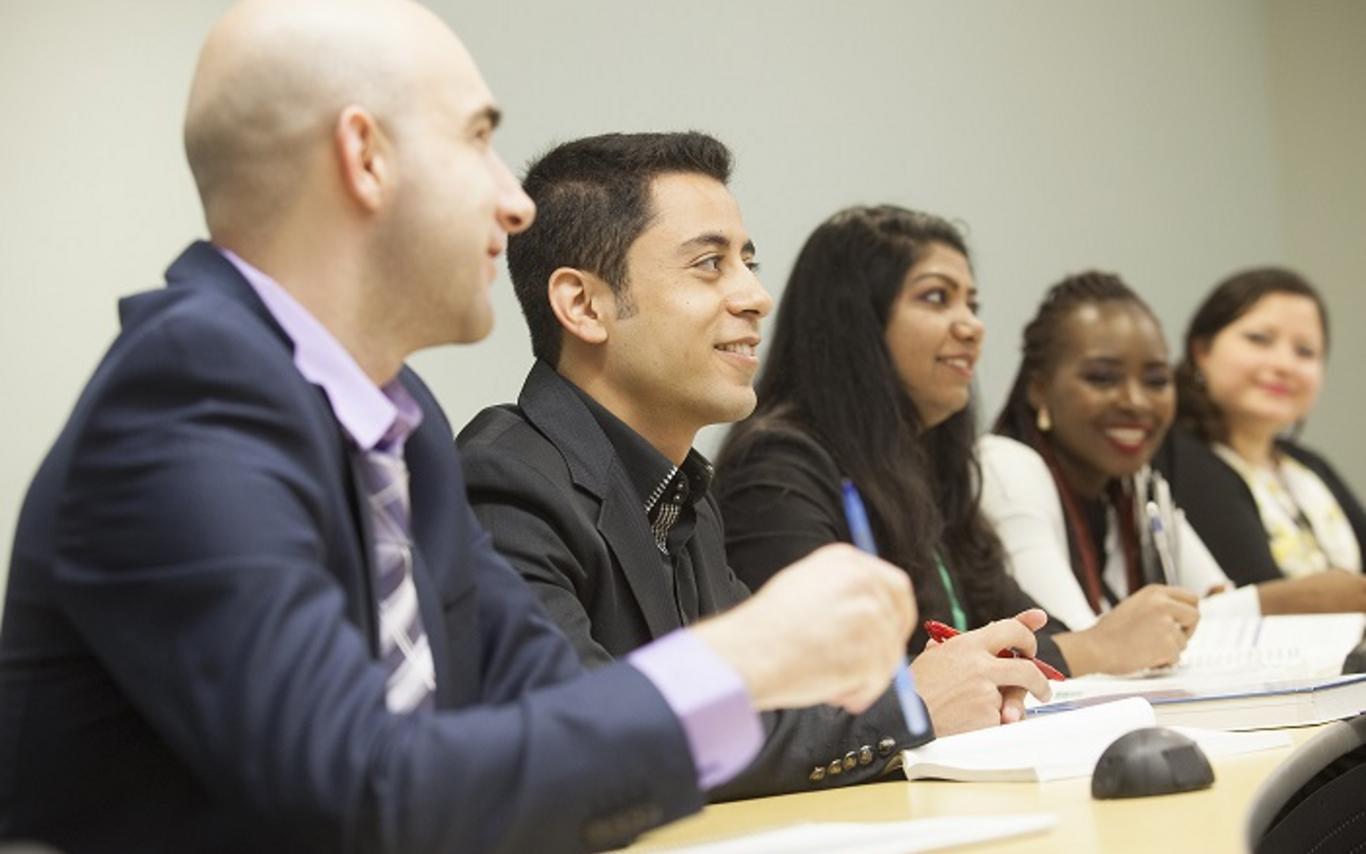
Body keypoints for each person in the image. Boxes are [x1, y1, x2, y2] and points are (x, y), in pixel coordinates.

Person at [0, 3, 919, 851]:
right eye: (478, 139)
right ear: (364, 157)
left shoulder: (400, 424)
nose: (514, 204)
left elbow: (561, 715)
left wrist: (749, 674)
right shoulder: (186, 396)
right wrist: (745, 656)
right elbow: (359, 793)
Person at [457, 133, 1051, 800]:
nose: (756, 296)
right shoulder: (504, 483)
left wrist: (943, 687)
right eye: (709, 264)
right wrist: (908, 708)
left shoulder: (684, 493)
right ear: (583, 305)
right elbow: (587, 740)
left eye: (748, 261)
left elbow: (789, 699)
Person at [716, 205, 1196, 677]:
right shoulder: (777, 468)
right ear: (856, 320)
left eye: (972, 304)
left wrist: (1088, 645)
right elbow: (827, 685)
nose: (971, 326)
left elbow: (1025, 629)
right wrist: (1099, 648)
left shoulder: (927, 463)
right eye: (936, 298)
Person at [982, 272, 1255, 654]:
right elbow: (1088, 647)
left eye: (1157, 380)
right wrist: (1297, 601)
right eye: (1103, 378)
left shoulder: (1137, 487)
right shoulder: (1006, 467)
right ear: (1039, 388)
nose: (1135, 401)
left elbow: (1234, 624)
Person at [1156, 267, 1366, 610]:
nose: (1284, 364)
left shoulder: (1309, 466)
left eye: (1305, 351)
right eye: (1259, 339)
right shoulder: (1177, 458)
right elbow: (1257, 595)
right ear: (1201, 351)